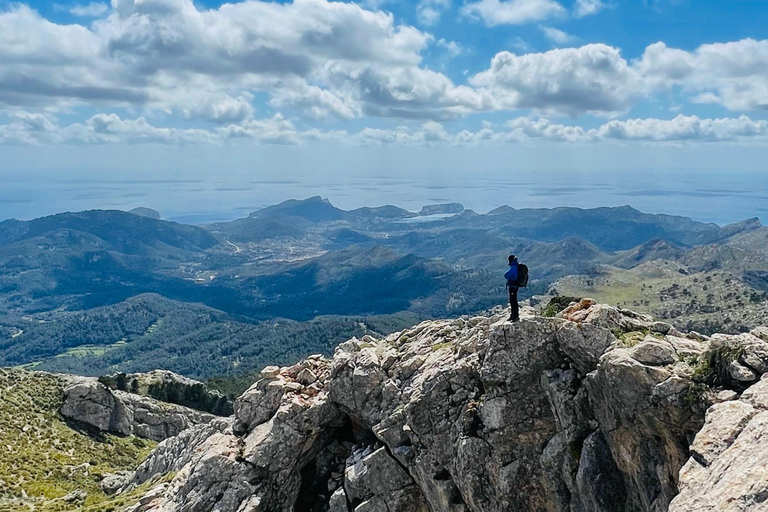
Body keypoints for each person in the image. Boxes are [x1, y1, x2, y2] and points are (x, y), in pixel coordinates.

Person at [505, 254, 519, 322]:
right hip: (515, 286)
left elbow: (507, 275)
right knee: (513, 300)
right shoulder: (517, 265)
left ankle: (515, 315)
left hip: (513, 286)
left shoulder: (513, 267)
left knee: (513, 301)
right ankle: (514, 314)